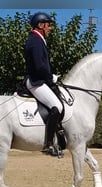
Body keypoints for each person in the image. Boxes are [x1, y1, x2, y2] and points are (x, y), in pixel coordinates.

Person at [24, 12, 63, 157]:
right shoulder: (35, 41)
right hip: (36, 81)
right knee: (57, 106)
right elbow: (40, 67)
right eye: (48, 25)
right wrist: (51, 77)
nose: (50, 28)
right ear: (40, 25)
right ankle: (48, 144)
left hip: (40, 79)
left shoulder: (38, 39)